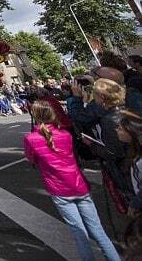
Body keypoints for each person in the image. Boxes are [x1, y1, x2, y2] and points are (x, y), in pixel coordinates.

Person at [24, 100, 119, 261]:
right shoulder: (65, 135)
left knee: (78, 231)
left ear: (35, 116)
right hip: (79, 185)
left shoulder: (31, 139)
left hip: (59, 189)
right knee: (98, 230)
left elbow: (32, 159)